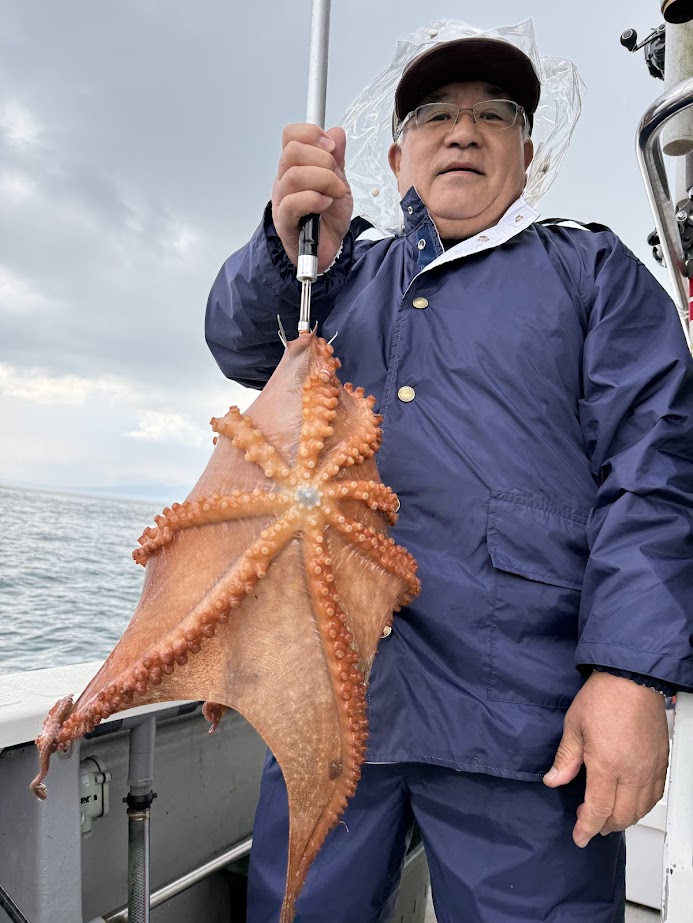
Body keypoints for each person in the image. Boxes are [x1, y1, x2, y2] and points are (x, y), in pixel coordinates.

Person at [205, 32, 693, 923]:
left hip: (521, 721)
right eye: (435, 113)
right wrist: (285, 244)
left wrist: (630, 672)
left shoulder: (591, 270)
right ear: (396, 157)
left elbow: (657, 472)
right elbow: (241, 344)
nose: (462, 131)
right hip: (329, 701)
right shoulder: (337, 275)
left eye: (493, 114)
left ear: (526, 151)